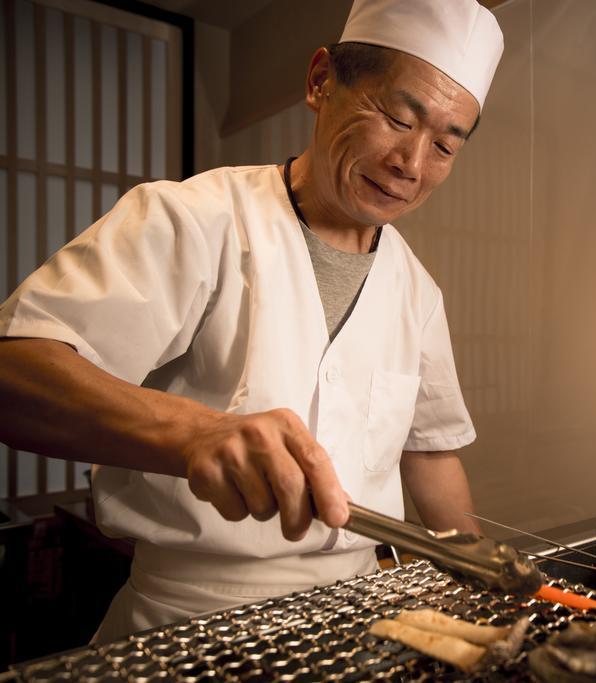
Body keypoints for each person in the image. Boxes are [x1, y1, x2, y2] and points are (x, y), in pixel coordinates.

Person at [0, 0, 503, 641]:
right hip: (188, 620)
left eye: (443, 146)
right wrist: (196, 434)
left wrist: (483, 578)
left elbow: (431, 459)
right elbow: (13, 376)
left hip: (360, 619)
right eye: (396, 118)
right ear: (321, 81)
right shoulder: (192, 219)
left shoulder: (416, 291)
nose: (411, 163)